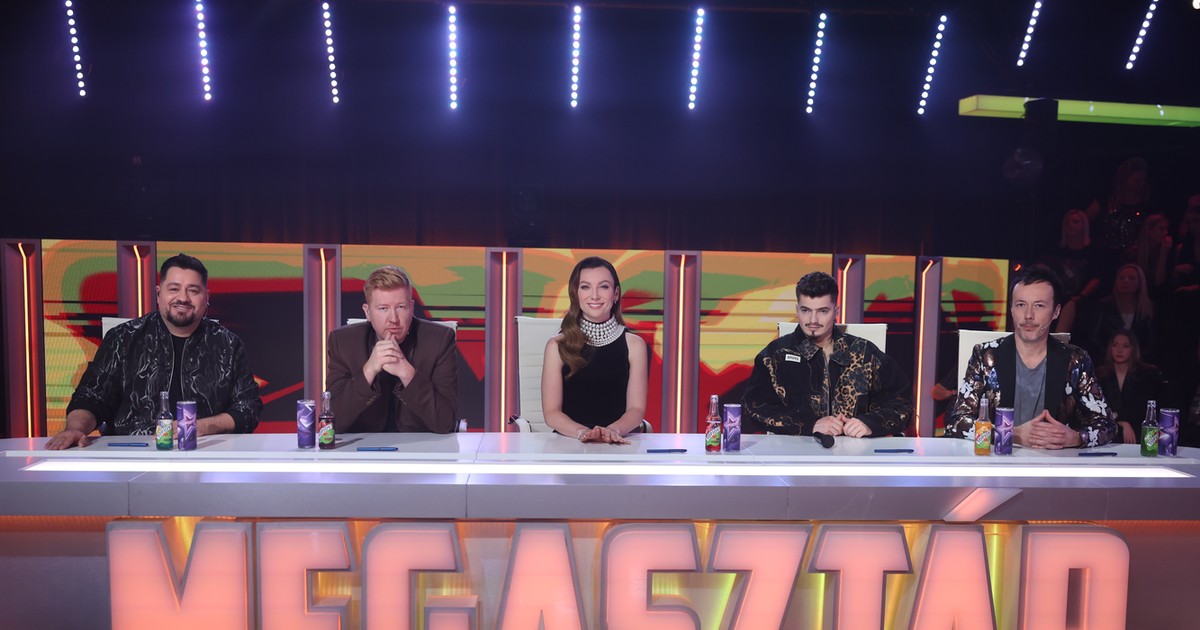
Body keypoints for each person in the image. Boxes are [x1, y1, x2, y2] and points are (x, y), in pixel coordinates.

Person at [46, 253, 262, 449]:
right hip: (134, 454)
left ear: (206, 297)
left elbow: (248, 408)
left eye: (193, 290)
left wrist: (201, 426)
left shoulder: (228, 344)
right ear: (159, 294)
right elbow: (91, 396)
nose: (183, 298)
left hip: (205, 453)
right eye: (174, 289)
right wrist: (75, 429)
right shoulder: (122, 338)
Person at [946, 266, 1116, 449]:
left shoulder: (1075, 360)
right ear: (1012, 309)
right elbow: (957, 422)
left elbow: (1106, 425)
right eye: (1021, 305)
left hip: (1055, 462)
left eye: (1039, 305)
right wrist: (1011, 434)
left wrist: (1075, 438)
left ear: (1056, 311)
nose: (1028, 315)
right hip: (998, 460)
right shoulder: (985, 355)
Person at [742, 271, 912, 437]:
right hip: (794, 452)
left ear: (836, 312)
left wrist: (869, 423)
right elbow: (754, 408)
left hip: (855, 451)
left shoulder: (864, 353)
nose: (813, 320)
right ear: (797, 310)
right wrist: (810, 424)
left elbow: (903, 405)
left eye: (822, 311)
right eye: (806, 310)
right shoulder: (775, 355)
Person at [326, 266, 458, 433]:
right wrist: (369, 370)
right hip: (362, 446)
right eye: (383, 308)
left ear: (411, 307)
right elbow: (332, 423)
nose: (393, 319)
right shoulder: (343, 342)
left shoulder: (439, 341)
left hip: (421, 445)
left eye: (401, 307)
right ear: (367, 312)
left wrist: (407, 373)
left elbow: (446, 423)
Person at [541, 256, 648, 444]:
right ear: (575, 293)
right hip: (569, 444)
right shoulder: (556, 346)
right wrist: (582, 432)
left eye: (603, 287)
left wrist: (612, 431)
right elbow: (551, 413)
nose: (595, 295)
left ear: (616, 294)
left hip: (619, 443)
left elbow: (636, 409)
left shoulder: (635, 345)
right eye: (585, 287)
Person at [1095, 330, 1162, 445]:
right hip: (1108, 431)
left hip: (1140, 431)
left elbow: (1144, 410)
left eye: (1125, 346)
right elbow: (1097, 408)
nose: (1119, 350)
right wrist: (1122, 422)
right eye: (1115, 345)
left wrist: (1123, 419)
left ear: (1133, 349)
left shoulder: (1148, 375)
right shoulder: (1099, 375)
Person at [1088, 263, 1156, 364]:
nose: (1125, 281)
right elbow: (1094, 339)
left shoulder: (1150, 309)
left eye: (1131, 278)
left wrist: (1134, 358)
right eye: (1121, 278)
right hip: (1107, 363)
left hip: (1140, 364)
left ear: (1140, 283)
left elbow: (1153, 343)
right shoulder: (1103, 306)